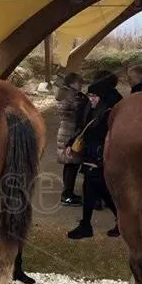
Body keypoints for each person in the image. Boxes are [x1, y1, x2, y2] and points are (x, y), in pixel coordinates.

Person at [65, 72, 122, 240]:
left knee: (96, 189)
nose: (91, 99)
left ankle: (88, 225)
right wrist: (71, 142)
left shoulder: (110, 112)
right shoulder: (92, 109)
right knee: (97, 190)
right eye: (89, 96)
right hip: (91, 155)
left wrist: (101, 159)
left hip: (100, 158)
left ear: (102, 96)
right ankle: (90, 224)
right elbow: (84, 128)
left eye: (94, 96)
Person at [53, 71, 87, 207]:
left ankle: (67, 192)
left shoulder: (67, 94)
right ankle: (67, 195)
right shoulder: (70, 96)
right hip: (70, 132)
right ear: (73, 83)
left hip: (66, 131)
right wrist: (80, 104)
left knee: (70, 164)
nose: (81, 85)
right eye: (79, 82)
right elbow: (65, 109)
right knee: (72, 164)